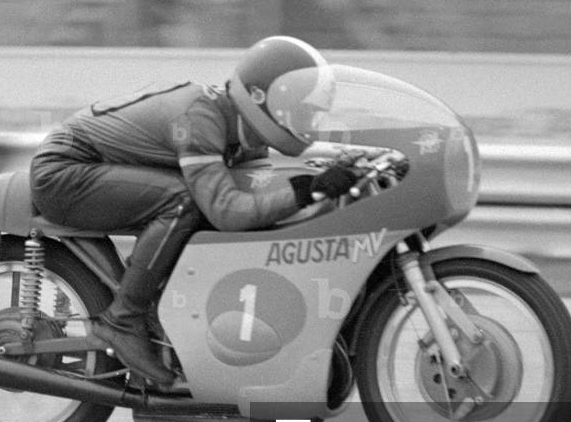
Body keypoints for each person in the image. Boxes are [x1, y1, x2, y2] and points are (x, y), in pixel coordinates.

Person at [29, 35, 357, 384]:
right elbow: (227, 212)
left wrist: (327, 173)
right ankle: (122, 321)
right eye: (299, 106)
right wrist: (307, 190)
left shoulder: (246, 136)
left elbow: (257, 206)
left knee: (202, 207)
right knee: (184, 200)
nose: (306, 117)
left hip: (95, 166)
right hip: (64, 170)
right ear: (261, 97)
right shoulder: (201, 118)